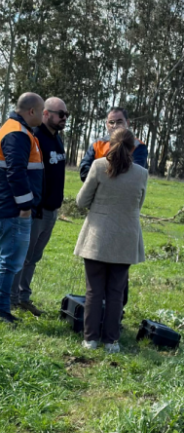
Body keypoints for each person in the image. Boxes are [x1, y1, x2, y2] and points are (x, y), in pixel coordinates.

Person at [75, 127, 147, 351]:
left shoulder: (98, 166)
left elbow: (81, 201)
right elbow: (138, 205)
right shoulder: (141, 173)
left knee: (94, 290)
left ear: (109, 144)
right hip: (125, 237)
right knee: (116, 292)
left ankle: (90, 339)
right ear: (133, 147)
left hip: (97, 236)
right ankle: (111, 341)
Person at [0, 92, 45, 323]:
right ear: (31, 111)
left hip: (6, 206)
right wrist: (25, 206)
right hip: (12, 209)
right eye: (41, 111)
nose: (43, 116)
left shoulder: (16, 130)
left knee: (4, 258)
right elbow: (16, 172)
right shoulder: (17, 134)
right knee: (10, 261)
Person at [11, 97, 69, 315]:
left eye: (66, 115)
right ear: (45, 114)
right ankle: (11, 298)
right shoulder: (36, 137)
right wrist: (32, 204)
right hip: (36, 210)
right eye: (60, 114)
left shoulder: (58, 140)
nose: (64, 118)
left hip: (52, 210)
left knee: (34, 256)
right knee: (23, 255)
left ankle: (23, 297)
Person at [79, 106, 147, 182]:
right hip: (98, 191)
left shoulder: (138, 146)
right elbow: (84, 171)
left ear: (127, 122)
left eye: (119, 122)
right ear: (106, 124)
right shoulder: (97, 144)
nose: (115, 126)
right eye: (111, 122)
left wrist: (100, 175)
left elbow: (136, 174)